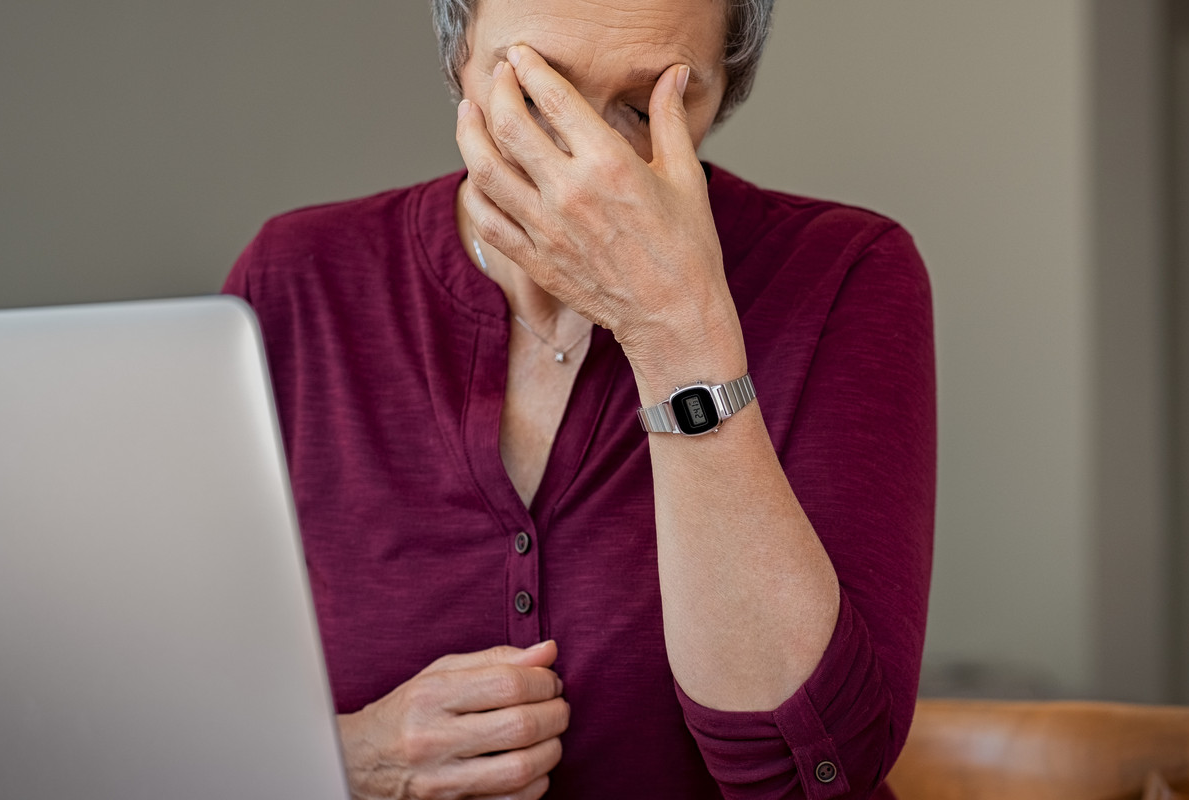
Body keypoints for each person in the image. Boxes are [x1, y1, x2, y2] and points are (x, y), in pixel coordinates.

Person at [222, 0, 935, 797]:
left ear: (723, 91)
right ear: (458, 57)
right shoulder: (294, 282)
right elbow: (165, 712)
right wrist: (347, 762)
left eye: (642, 108)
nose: (587, 165)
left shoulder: (845, 274)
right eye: (535, 93)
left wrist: (672, 325)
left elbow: (813, 774)